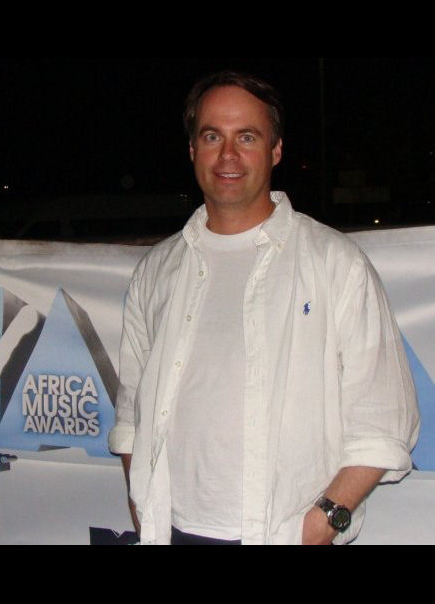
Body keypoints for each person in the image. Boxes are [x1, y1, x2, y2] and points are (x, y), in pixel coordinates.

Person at [108, 71, 420, 545]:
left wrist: (317, 527)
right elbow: (132, 417)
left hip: (283, 535)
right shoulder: (157, 270)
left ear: (276, 151)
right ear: (192, 149)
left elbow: (384, 421)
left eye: (247, 137)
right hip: (169, 531)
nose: (227, 155)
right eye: (212, 136)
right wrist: (142, 509)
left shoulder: (335, 263)